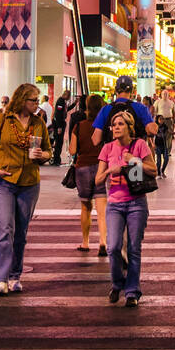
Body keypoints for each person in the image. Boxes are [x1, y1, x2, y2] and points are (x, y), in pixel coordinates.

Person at [0, 83, 51, 294]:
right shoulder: (4, 120)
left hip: (29, 183)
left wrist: (43, 156)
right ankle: (0, 278)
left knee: (21, 232)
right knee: (4, 229)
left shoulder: (39, 123)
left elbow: (48, 151)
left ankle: (14, 276)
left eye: (38, 101)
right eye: (33, 101)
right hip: (3, 182)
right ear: (22, 101)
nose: (37, 105)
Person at [95, 109, 156, 306]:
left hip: (136, 202)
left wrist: (132, 161)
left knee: (133, 249)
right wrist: (109, 172)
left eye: (120, 124)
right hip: (114, 203)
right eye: (114, 125)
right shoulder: (107, 148)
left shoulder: (139, 145)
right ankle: (117, 283)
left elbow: (153, 171)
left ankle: (132, 292)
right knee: (112, 247)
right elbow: (97, 179)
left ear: (129, 127)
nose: (116, 128)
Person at [69, 94, 106, 254]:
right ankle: (103, 242)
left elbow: (72, 150)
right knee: (102, 209)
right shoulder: (104, 126)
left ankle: (85, 242)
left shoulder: (79, 126)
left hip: (82, 167)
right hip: (101, 167)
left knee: (86, 207)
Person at [91, 75, 155, 149]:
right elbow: (151, 130)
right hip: (135, 156)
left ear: (116, 90)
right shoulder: (141, 108)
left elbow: (95, 140)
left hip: (113, 156)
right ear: (132, 90)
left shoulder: (105, 109)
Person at [50, 89, 71, 165]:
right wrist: (59, 127)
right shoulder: (60, 101)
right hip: (59, 124)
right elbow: (58, 114)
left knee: (59, 142)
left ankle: (57, 159)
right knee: (58, 142)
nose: (69, 98)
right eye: (69, 96)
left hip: (61, 123)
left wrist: (74, 104)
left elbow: (66, 110)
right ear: (66, 95)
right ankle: (56, 160)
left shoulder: (63, 101)